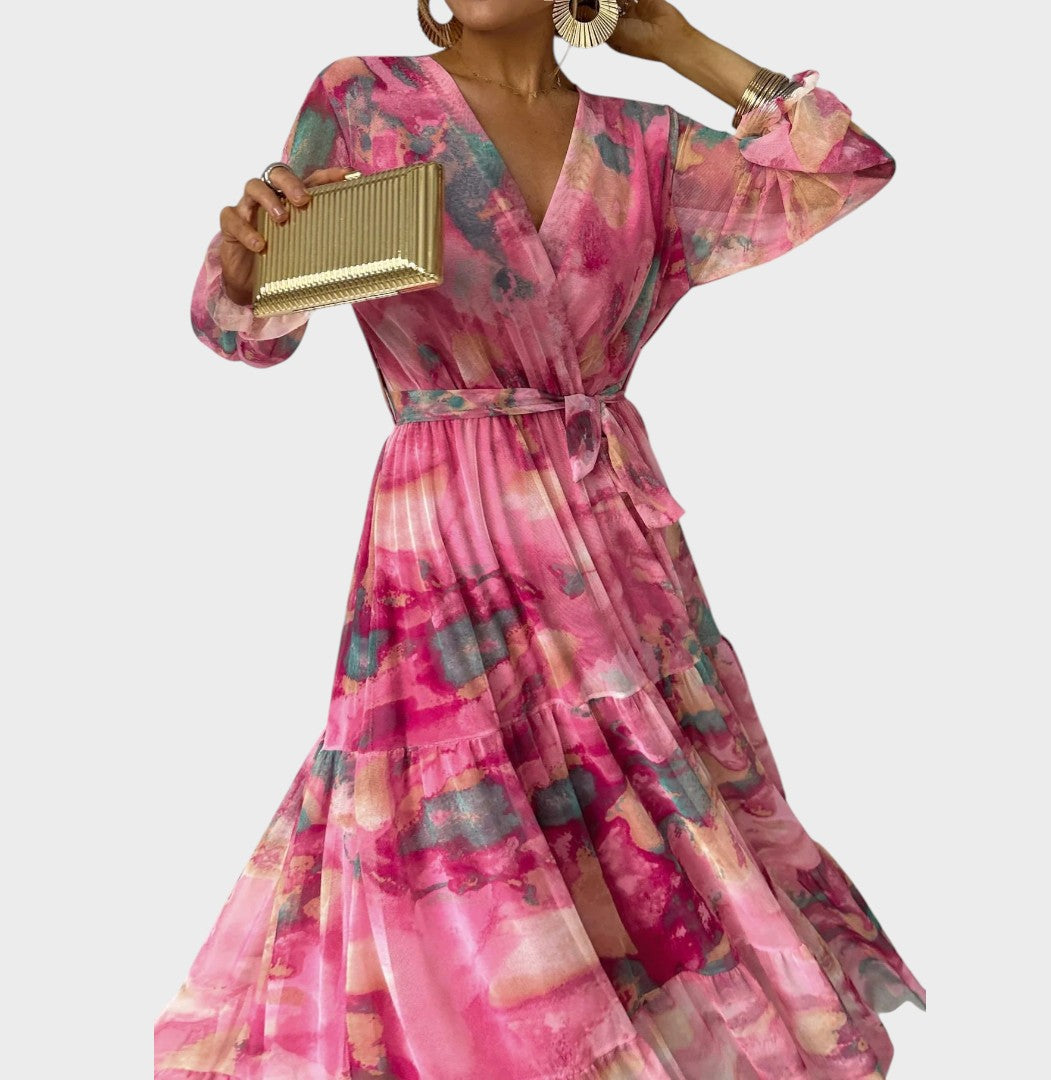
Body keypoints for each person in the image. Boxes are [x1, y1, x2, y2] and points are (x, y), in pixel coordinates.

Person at [155, 2, 926, 1077]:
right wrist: (245, 268)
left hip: (608, 537)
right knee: (456, 823)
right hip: (442, 543)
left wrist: (679, 44)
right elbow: (243, 331)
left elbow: (846, 166)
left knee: (643, 809)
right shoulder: (365, 98)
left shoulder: (642, 147)